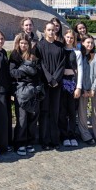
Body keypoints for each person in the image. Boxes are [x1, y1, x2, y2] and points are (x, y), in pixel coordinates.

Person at [9, 33, 41, 156]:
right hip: (21, 91)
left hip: (32, 90)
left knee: (32, 117)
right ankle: (20, 143)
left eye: (25, 43)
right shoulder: (14, 55)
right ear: (18, 43)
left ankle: (29, 141)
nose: (23, 45)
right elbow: (12, 72)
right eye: (21, 43)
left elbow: (38, 72)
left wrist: (25, 72)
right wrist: (26, 72)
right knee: (21, 118)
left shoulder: (33, 56)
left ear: (29, 45)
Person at [35, 21, 65, 150]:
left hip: (56, 84)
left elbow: (62, 64)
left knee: (55, 111)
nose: (51, 32)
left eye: (53, 30)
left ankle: (54, 139)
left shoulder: (60, 46)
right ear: (45, 31)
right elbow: (40, 64)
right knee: (45, 111)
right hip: (45, 84)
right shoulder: (40, 46)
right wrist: (49, 79)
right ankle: (45, 140)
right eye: (49, 30)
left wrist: (55, 79)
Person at [77, 35, 96, 146]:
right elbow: (78, 73)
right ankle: (85, 135)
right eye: (87, 42)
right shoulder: (79, 55)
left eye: (92, 43)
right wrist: (84, 89)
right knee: (82, 112)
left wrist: (93, 88)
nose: (90, 45)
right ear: (82, 43)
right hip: (83, 89)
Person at [59, 30, 81, 147]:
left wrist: (79, 87)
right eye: (67, 37)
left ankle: (72, 134)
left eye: (71, 38)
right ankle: (64, 136)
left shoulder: (76, 52)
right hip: (62, 83)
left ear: (74, 39)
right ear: (64, 37)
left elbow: (80, 71)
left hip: (73, 83)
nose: (69, 39)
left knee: (72, 111)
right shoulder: (61, 50)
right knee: (62, 111)